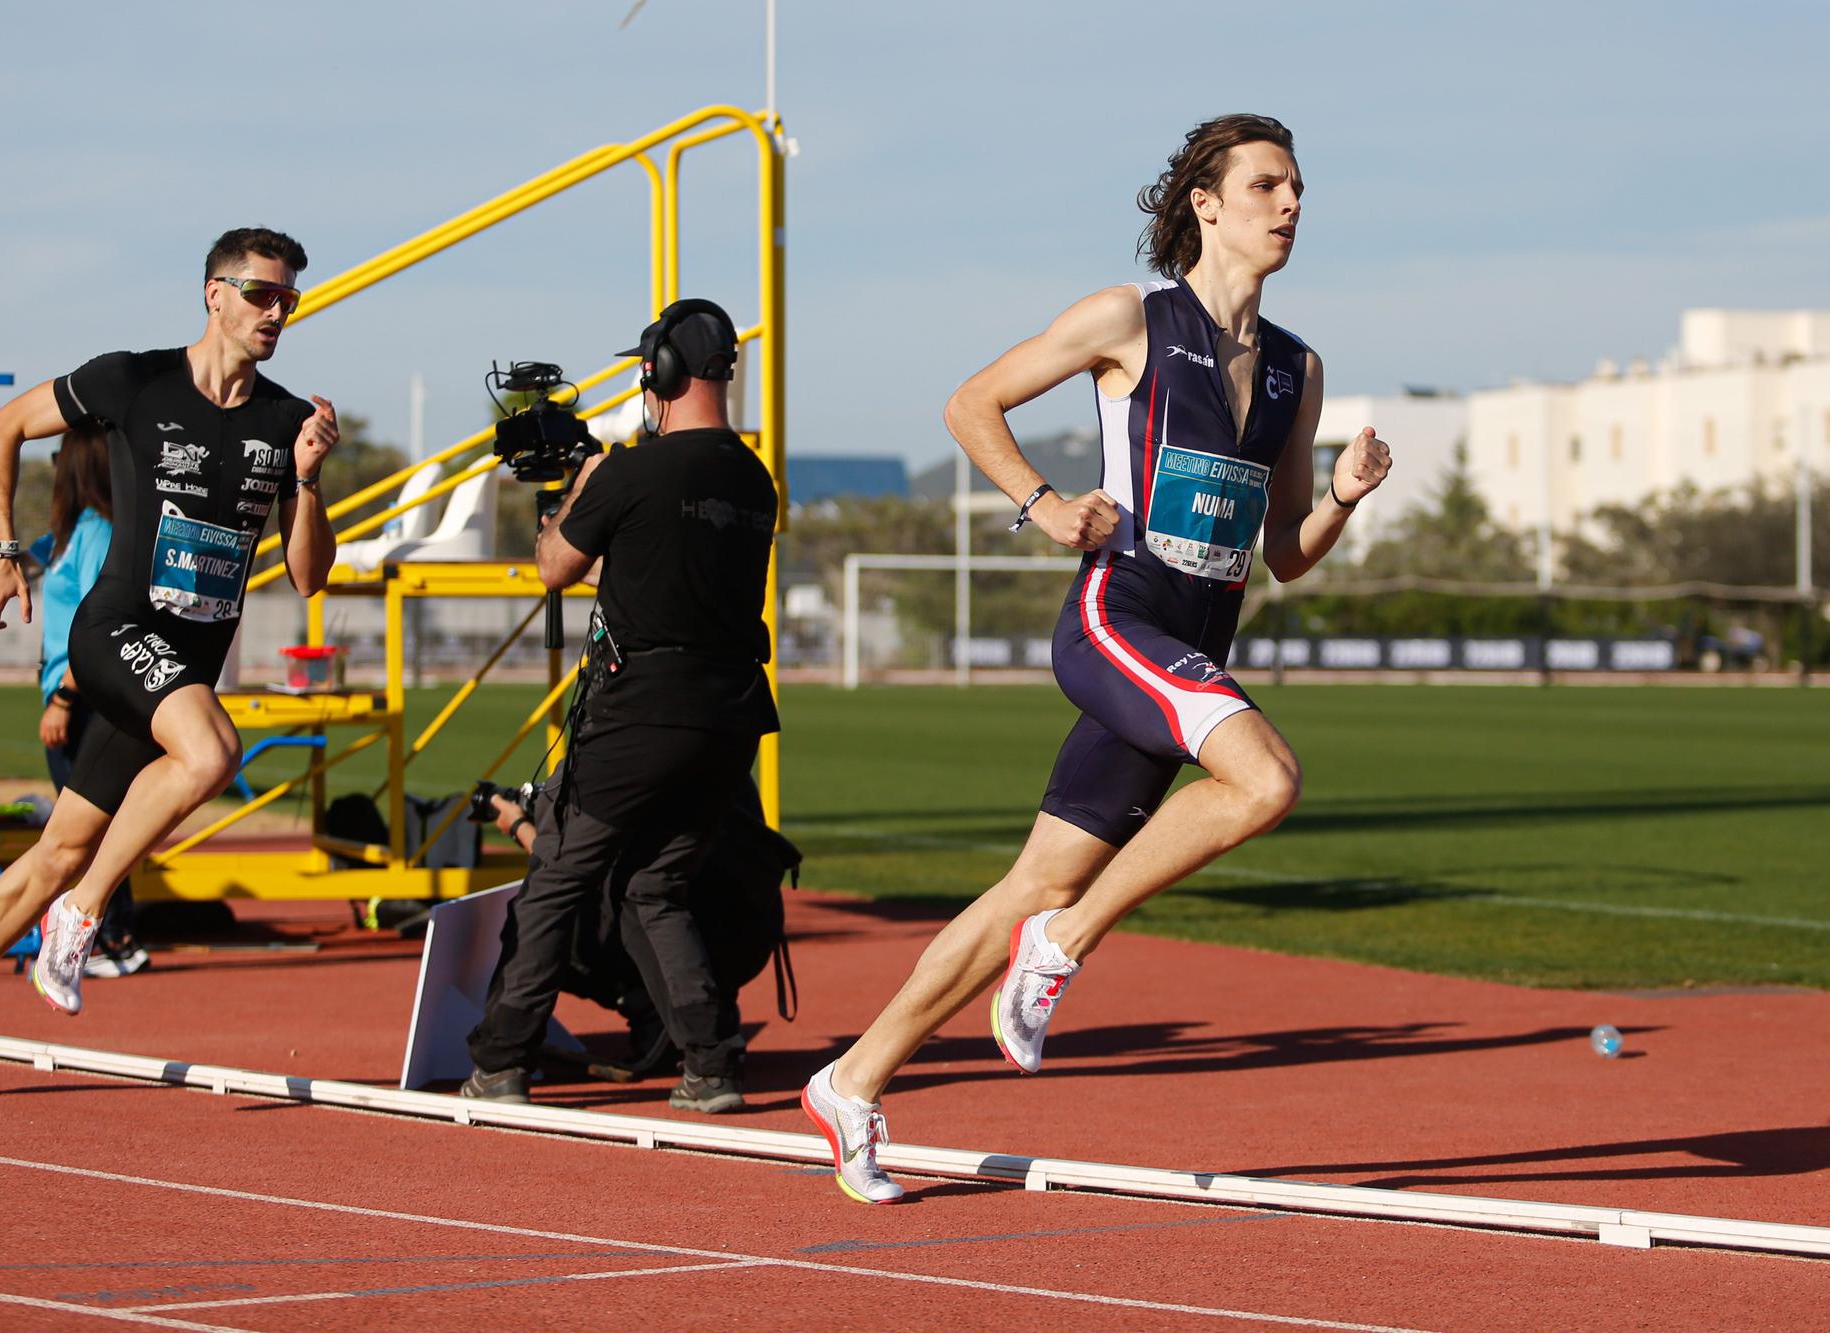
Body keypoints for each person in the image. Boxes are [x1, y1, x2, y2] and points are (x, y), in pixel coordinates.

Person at [800, 115, 1393, 1203]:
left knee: (1031, 878)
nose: (1290, 205)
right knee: (1263, 779)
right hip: (1118, 620)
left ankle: (851, 1078)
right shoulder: (1128, 319)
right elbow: (969, 403)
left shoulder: (1294, 374)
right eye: (1267, 185)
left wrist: (1345, 500)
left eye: (1298, 188)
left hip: (1193, 645)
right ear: (1206, 205)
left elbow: (1286, 553)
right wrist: (1041, 502)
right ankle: (1062, 945)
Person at [0, 227, 338, 1099]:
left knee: (59, 847)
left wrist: (312, 482)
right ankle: (84, 915)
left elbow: (308, 575)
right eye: (261, 294)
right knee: (211, 755)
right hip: (113, 633)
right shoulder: (134, 381)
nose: (277, 312)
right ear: (213, 294)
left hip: (182, 667)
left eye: (289, 299)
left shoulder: (290, 421)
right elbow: (10, 428)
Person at [463, 298, 779, 1114]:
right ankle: (710, 1061)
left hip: (640, 711)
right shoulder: (754, 479)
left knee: (558, 878)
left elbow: (555, 567)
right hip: (731, 715)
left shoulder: (631, 473)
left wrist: (581, 486)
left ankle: (501, 1060)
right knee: (654, 885)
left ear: (658, 372)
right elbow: (663, 561)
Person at [0, 429, 149, 976]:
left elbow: (102, 623)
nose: (55, 464)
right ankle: (105, 935)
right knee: (78, 822)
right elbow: (21, 567)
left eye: (60, 456)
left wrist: (64, 699)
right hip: (69, 688)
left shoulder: (98, 533)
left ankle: (114, 937)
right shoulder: (70, 535)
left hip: (86, 694)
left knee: (87, 824)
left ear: (78, 466)